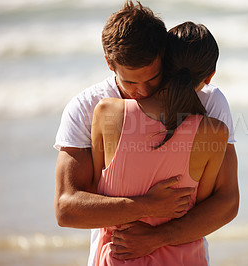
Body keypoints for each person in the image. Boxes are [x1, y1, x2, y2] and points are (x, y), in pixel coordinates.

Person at [54, 1, 239, 264]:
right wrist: (147, 205)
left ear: (163, 58)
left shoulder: (210, 102)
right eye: (129, 81)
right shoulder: (87, 107)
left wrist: (157, 236)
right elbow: (67, 209)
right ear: (110, 63)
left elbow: (227, 202)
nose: (140, 91)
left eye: (152, 79)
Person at [91, 21, 228, 265]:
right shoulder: (215, 132)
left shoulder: (106, 112)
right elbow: (201, 206)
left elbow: (95, 191)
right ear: (209, 77)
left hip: (119, 256)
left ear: (162, 65)